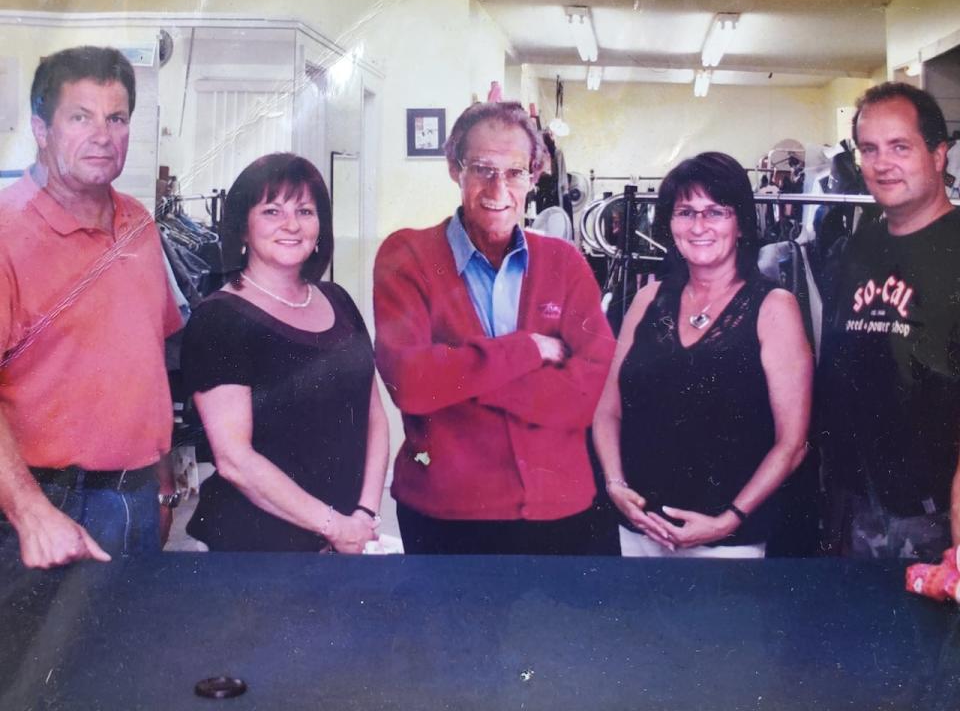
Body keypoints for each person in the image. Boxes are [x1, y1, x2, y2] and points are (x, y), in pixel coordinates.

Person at [373, 101, 617, 555]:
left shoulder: (565, 263)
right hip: (445, 512)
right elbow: (410, 382)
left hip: (558, 510)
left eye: (515, 172)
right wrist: (528, 350)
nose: (498, 188)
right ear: (454, 169)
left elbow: (590, 392)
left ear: (535, 176)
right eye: (483, 168)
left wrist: (457, 376)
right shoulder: (405, 255)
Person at [0, 46, 182, 569]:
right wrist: (30, 511)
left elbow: (147, 364)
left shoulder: (139, 223)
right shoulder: (10, 235)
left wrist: (163, 483)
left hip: (137, 497)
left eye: (116, 118)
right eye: (80, 117)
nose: (103, 135)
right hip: (48, 505)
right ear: (40, 128)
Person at [593, 152, 813, 558]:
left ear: (741, 222)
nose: (698, 226)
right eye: (685, 212)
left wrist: (727, 521)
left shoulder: (773, 306)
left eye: (715, 212)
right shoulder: (646, 299)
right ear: (669, 222)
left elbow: (792, 443)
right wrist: (615, 485)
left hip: (727, 542)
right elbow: (607, 410)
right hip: (639, 530)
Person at [180, 153, 387, 553]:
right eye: (272, 211)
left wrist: (364, 514)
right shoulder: (219, 319)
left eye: (305, 211)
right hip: (257, 546)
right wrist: (335, 527)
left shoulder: (338, 299)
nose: (291, 225)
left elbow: (373, 413)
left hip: (347, 535)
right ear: (242, 227)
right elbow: (235, 460)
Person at [819, 83, 960, 561]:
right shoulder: (854, 251)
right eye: (869, 149)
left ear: (939, 154)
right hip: (853, 508)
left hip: (937, 520)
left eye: (900, 147)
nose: (882, 164)